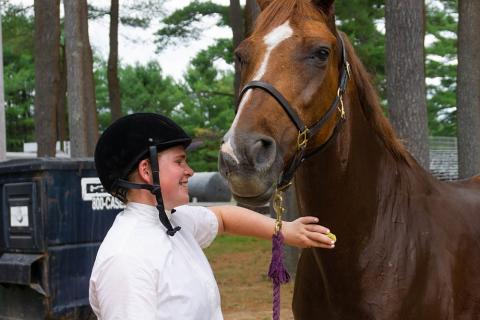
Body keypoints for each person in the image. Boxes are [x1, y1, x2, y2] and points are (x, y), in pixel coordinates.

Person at [89, 113, 335, 320]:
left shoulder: (175, 221)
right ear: (146, 171)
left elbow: (224, 217)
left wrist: (284, 230)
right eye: (180, 162)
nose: (190, 171)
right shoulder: (126, 260)